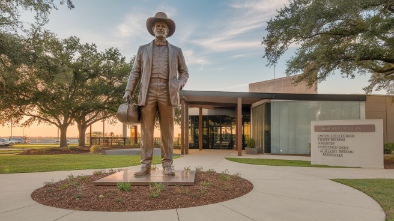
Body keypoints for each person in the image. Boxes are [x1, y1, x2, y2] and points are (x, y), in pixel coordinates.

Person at [123, 12, 189, 176]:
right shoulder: (142, 49)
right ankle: (145, 165)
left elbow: (184, 72)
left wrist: (178, 84)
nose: (160, 28)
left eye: (163, 26)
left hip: (168, 92)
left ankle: (167, 164)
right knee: (147, 131)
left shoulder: (176, 51)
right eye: (158, 26)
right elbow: (135, 72)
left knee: (168, 130)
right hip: (148, 91)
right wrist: (128, 90)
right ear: (153, 29)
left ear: (167, 31)